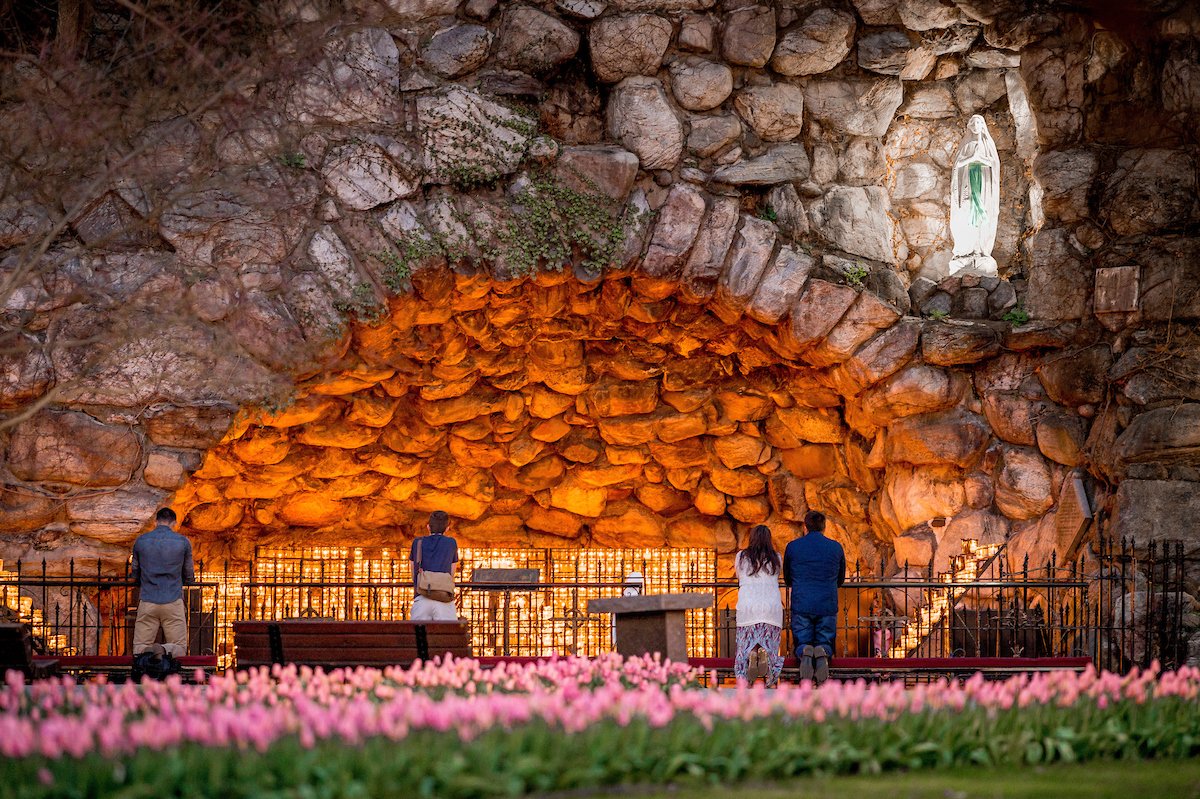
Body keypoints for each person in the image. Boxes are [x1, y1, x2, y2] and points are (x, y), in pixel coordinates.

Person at [782, 511, 845, 685]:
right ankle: (823, 653)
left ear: (805, 526)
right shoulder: (835, 547)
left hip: (802, 602)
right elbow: (840, 579)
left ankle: (805, 652)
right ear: (824, 527)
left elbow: (787, 578)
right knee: (825, 639)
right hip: (827, 603)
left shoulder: (793, 547)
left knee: (802, 638)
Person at [130, 507, 194, 667]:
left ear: (155, 521)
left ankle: (150, 657)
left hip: (148, 600)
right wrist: (186, 581)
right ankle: (164, 650)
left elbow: (135, 572)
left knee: (139, 648)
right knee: (179, 648)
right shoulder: (183, 542)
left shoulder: (141, 541)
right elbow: (189, 574)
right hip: (173, 600)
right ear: (174, 523)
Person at [734, 524, 784, 687]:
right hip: (771, 608)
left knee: (745, 645)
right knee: (770, 643)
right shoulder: (776, 558)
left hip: (748, 607)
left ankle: (752, 657)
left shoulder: (741, 557)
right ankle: (765, 658)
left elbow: (739, 576)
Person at [409, 510, 459, 621]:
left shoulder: (417, 542)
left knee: (420, 637)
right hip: (444, 599)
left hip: (422, 597)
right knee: (446, 637)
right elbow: (452, 573)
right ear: (447, 529)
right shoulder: (451, 543)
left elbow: (413, 574)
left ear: (428, 527)